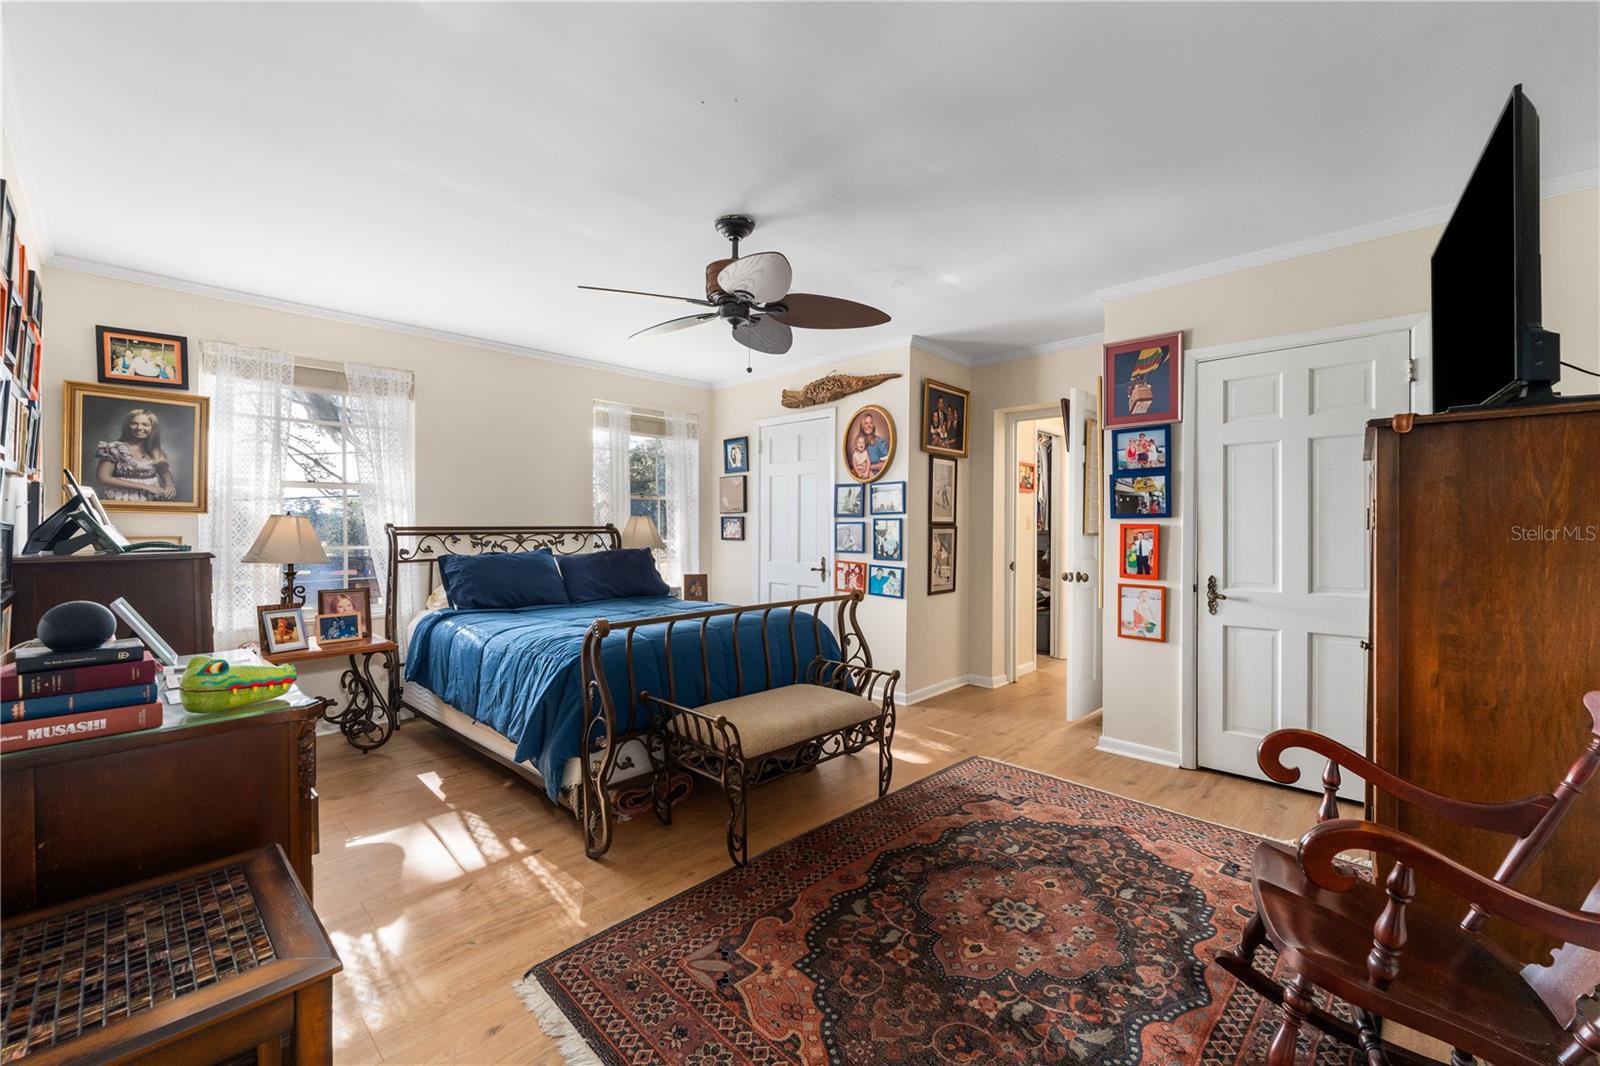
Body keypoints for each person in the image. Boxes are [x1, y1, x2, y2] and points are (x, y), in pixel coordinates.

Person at [95, 408, 178, 501]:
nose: (139, 428)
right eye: (134, 423)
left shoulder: (156, 449)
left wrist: (169, 484)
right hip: (122, 497)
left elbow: (164, 471)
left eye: (145, 424)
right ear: (128, 426)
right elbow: (103, 477)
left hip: (151, 498)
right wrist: (145, 487)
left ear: (153, 428)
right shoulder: (115, 448)